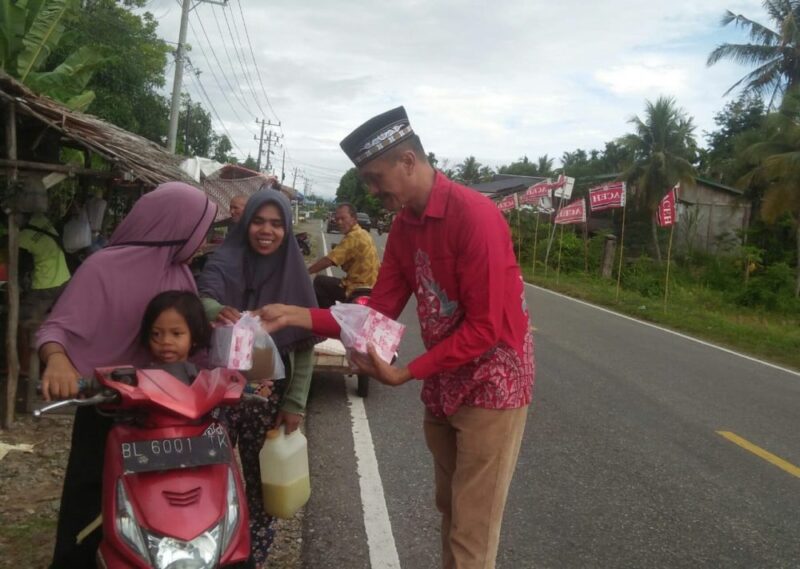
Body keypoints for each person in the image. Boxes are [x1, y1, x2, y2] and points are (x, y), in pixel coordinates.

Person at [259, 106, 534, 569]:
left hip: (494, 383)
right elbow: (379, 309)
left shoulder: (476, 217)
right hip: (447, 378)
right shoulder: (406, 225)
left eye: (374, 177)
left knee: (472, 528)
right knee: (450, 509)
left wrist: (407, 371)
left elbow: (486, 329)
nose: (371, 190)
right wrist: (298, 317)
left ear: (408, 161)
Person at [37, 182, 217, 568]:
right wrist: (58, 360)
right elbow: (56, 329)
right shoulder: (101, 267)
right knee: (90, 502)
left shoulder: (180, 272)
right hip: (106, 408)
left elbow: (194, 340)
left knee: (161, 504)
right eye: (199, 229)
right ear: (176, 225)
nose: (200, 242)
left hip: (164, 414)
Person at [196, 187, 318, 567]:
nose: (267, 231)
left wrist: (295, 402)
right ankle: (205, 550)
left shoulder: (295, 274)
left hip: (267, 397)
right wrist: (217, 309)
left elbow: (305, 344)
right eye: (259, 222)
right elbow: (199, 297)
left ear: (286, 229)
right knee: (207, 474)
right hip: (217, 391)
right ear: (246, 222)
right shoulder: (223, 260)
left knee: (262, 482)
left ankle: (252, 556)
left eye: (277, 224)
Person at [18, 212, 71, 376]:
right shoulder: (42, 220)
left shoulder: (22, 237)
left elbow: (20, 266)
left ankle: (26, 366)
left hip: (44, 285)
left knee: (22, 324)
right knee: (58, 321)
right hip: (64, 279)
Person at [308, 202, 380, 308]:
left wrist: (306, 272)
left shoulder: (353, 236)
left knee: (320, 282)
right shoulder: (363, 233)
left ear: (354, 219)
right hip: (372, 287)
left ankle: (328, 318)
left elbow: (328, 260)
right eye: (337, 219)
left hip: (356, 288)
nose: (339, 222)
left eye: (343, 218)